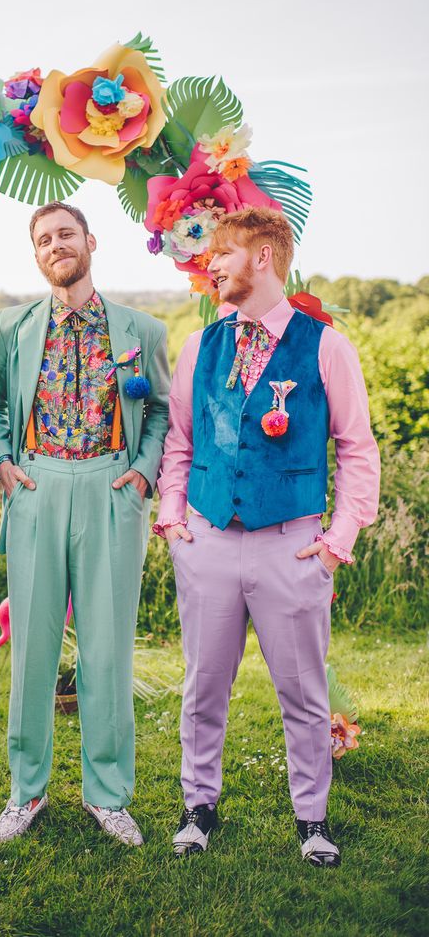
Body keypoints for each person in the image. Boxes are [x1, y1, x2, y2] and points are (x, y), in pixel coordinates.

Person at [156, 207, 379, 866]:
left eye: (221, 254)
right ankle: (198, 806)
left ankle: (312, 819)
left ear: (261, 257)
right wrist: (173, 519)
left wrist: (338, 541)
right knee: (203, 684)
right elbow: (180, 442)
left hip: (293, 543)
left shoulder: (327, 346)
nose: (210, 265)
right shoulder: (202, 344)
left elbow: (357, 452)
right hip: (208, 541)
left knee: (304, 692)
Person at [0, 201, 170, 846]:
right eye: (43, 240)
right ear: (36, 255)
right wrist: (3, 463)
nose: (55, 245)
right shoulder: (13, 326)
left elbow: (164, 412)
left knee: (107, 650)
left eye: (66, 234)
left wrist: (144, 471)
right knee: (31, 649)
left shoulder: (141, 330)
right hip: (37, 487)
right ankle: (26, 792)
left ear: (91, 241)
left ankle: (108, 795)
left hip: (112, 490)